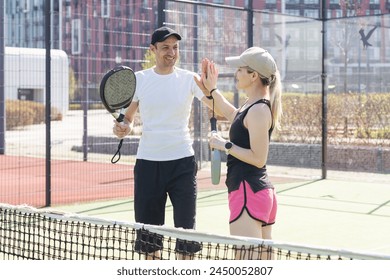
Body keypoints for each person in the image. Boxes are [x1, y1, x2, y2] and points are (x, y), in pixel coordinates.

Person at [112, 26, 212, 259]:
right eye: (165, 47)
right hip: (148, 165)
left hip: (183, 164)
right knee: (149, 241)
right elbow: (126, 120)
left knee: (187, 238)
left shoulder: (189, 79)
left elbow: (215, 106)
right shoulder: (139, 79)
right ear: (153, 49)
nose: (171, 52)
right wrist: (121, 129)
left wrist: (211, 86)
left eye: (175, 47)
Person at [195, 47, 283, 259]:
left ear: (253, 75)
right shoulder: (251, 106)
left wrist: (224, 145)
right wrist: (207, 90)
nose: (236, 73)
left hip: (247, 194)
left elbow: (258, 158)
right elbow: (229, 112)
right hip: (255, 192)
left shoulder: (259, 110)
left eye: (240, 69)